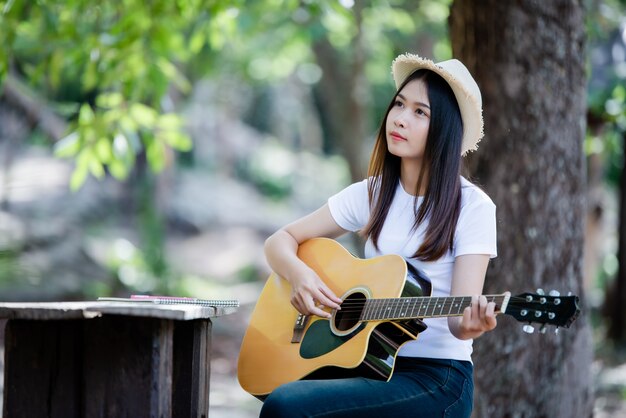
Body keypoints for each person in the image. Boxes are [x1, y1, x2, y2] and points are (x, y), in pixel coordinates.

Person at [259, 53, 498, 418]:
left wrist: (470, 325)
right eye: (400, 104)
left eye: (421, 112)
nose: (400, 118)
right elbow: (279, 241)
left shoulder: (473, 207)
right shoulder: (372, 193)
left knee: (286, 407)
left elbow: (458, 319)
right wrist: (300, 276)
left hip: (437, 379)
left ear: (444, 130)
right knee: (277, 388)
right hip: (369, 364)